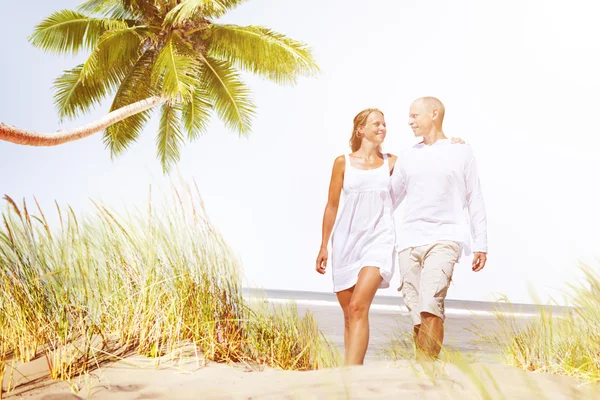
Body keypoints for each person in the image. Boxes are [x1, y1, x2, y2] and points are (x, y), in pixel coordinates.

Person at [316, 107, 464, 365]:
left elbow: (427, 153)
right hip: (345, 241)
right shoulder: (342, 162)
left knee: (359, 306)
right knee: (349, 313)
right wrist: (323, 246)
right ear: (360, 129)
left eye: (384, 124)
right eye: (376, 124)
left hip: (379, 239)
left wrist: (451, 144)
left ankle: (353, 374)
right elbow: (331, 206)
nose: (383, 128)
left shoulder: (394, 161)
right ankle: (347, 377)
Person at [390, 97, 488, 361]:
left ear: (434, 114)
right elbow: (389, 199)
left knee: (431, 306)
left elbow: (474, 197)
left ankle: (428, 374)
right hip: (409, 242)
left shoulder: (461, 151)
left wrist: (481, 244)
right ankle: (423, 375)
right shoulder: (408, 156)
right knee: (416, 314)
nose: (409, 121)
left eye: (414, 115)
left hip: (445, 237)